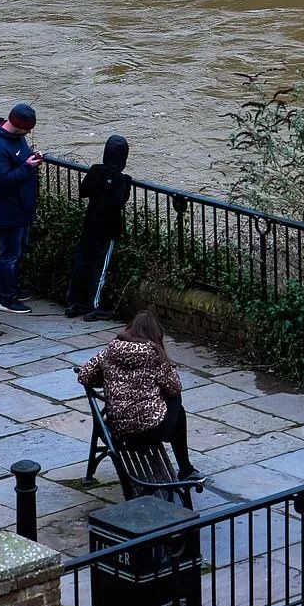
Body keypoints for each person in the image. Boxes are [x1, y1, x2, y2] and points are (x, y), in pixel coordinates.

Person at [76, 310, 203, 482]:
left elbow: (84, 375)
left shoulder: (111, 350)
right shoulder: (155, 355)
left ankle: (184, 467)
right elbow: (174, 388)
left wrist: (108, 378)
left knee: (171, 402)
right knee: (176, 404)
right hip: (150, 430)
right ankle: (186, 469)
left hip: (119, 428)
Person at [66, 134, 131, 321]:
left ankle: (73, 302)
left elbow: (83, 191)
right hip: (108, 229)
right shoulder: (121, 179)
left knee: (82, 263)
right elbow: (119, 202)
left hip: (90, 224)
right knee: (100, 268)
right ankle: (95, 306)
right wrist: (123, 183)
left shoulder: (95, 170)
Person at [0, 103, 42, 315]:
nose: (29, 132)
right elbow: (1, 179)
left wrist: (31, 161)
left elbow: (21, 162)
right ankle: (6, 298)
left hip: (23, 207)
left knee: (18, 251)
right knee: (9, 254)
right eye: (27, 129)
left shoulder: (18, 138)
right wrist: (27, 166)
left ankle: (14, 288)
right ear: (17, 126)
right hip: (9, 209)